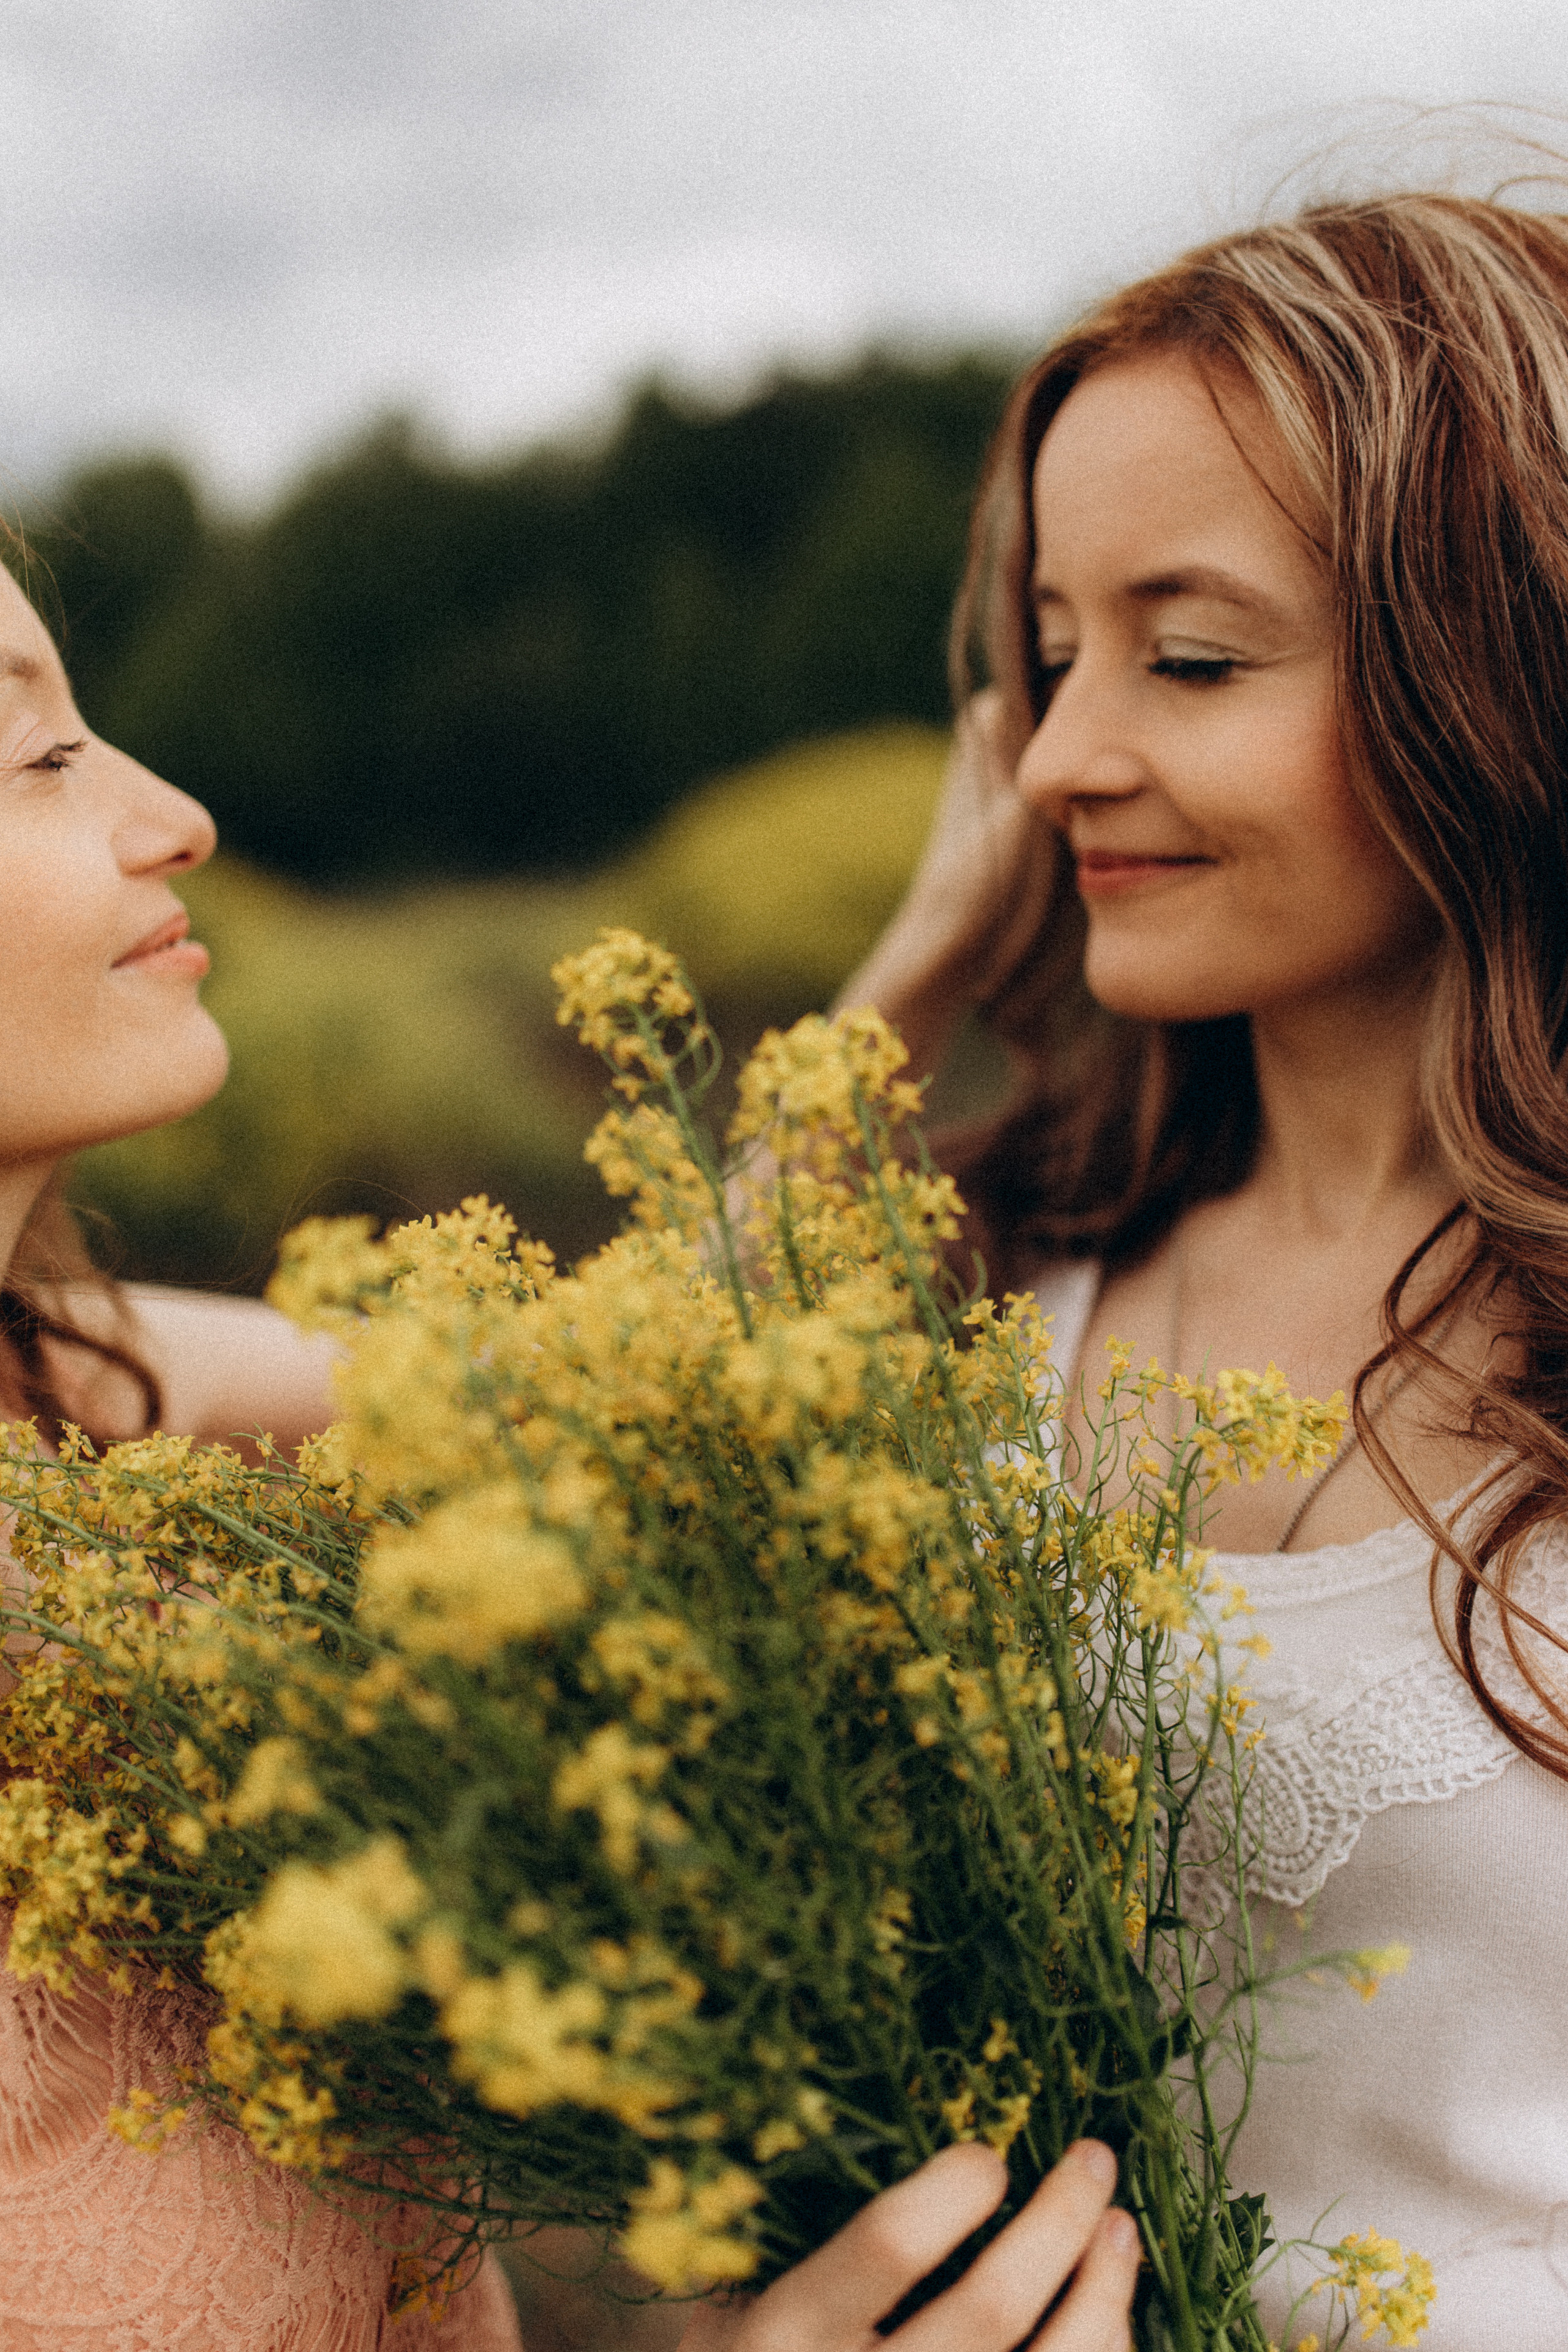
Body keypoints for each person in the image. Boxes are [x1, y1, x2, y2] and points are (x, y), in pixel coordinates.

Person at [0, 555, 1140, 2346]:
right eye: (35, 757)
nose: (177, 815)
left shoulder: (77, 1393)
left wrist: (928, 958)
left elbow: (617, 1391)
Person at [834, 190, 1568, 2349]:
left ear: (1503, 674)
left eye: (1194, 655)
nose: (1059, 758)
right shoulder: (1008, 1276)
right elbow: (156, 1372)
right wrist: (908, 976)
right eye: (1051, 655)